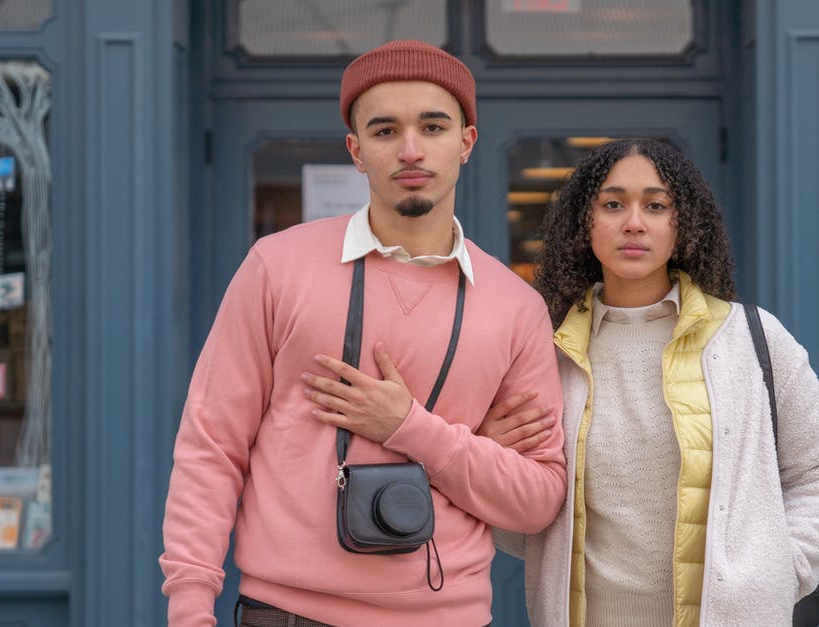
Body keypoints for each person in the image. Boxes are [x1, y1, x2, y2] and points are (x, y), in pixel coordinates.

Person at [159, 40, 567, 627]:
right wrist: (191, 604)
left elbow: (536, 499)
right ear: (355, 150)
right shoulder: (278, 266)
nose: (410, 150)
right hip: (286, 611)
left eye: (432, 126)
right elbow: (212, 444)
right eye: (384, 131)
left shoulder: (516, 307)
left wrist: (414, 430)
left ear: (467, 143)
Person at [484, 138, 819, 626]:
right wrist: (490, 455)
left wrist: (777, 571)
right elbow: (517, 507)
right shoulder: (545, 350)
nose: (634, 222)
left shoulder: (751, 338)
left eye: (657, 205)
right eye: (613, 204)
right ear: (585, 222)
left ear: (683, 225)